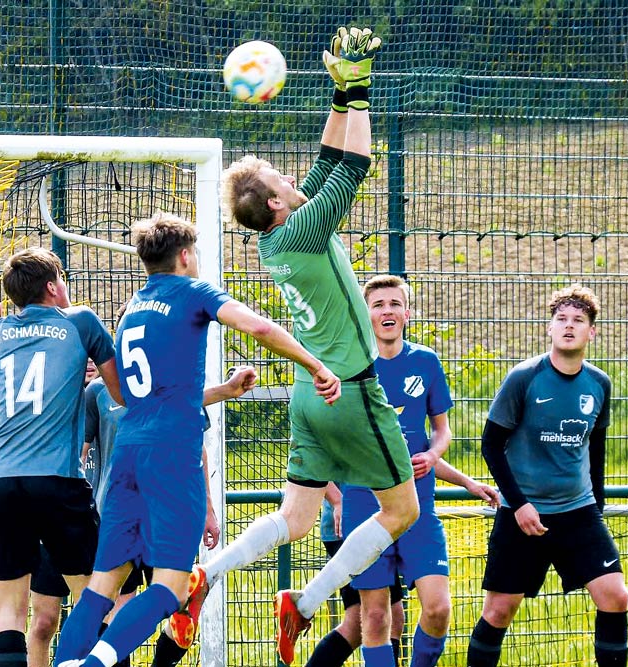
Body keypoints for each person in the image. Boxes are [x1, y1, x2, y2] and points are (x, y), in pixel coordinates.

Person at [167, 27, 420, 667]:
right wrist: (361, 86)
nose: (293, 177)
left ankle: (206, 575)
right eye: (283, 177)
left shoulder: (277, 236)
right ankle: (306, 603)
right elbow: (355, 165)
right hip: (349, 389)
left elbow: (329, 161)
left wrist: (341, 95)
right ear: (279, 201)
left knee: (296, 518)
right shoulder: (304, 227)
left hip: (310, 391)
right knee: (401, 511)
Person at [51, 212, 341, 667]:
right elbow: (259, 327)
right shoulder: (193, 292)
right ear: (185, 256)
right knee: (170, 589)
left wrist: (222, 390)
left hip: (127, 451)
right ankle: (93, 665)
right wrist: (315, 365)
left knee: (100, 588)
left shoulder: (132, 309)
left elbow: (138, 395)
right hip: (171, 454)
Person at [0, 247, 122, 667]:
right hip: (59, 482)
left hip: (2, 482)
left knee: (8, 611)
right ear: (53, 287)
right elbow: (122, 394)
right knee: (98, 602)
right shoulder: (81, 321)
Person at [307, 275, 500, 667]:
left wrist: (435, 455)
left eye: (395, 304)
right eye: (378, 305)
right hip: (365, 506)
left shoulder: (425, 362)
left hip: (418, 508)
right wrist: (337, 498)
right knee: (375, 617)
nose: (387, 311)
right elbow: (318, 442)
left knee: (438, 608)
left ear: (407, 314)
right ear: (365, 314)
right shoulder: (347, 367)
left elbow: (441, 431)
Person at [27, 359, 249, 667]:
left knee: (179, 601)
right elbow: (80, 452)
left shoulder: (181, 385)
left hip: (167, 516)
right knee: (107, 607)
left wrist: (208, 508)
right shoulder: (99, 393)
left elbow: (197, 447)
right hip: (117, 516)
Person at [466, 284, 628, 667]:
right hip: (522, 514)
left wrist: (597, 509)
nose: (569, 326)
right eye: (561, 319)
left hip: (578, 512)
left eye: (579, 320)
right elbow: (491, 445)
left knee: (616, 596)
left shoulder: (599, 384)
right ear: (549, 328)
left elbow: (596, 452)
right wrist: (519, 504)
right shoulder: (524, 377)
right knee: (499, 611)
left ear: (592, 332)